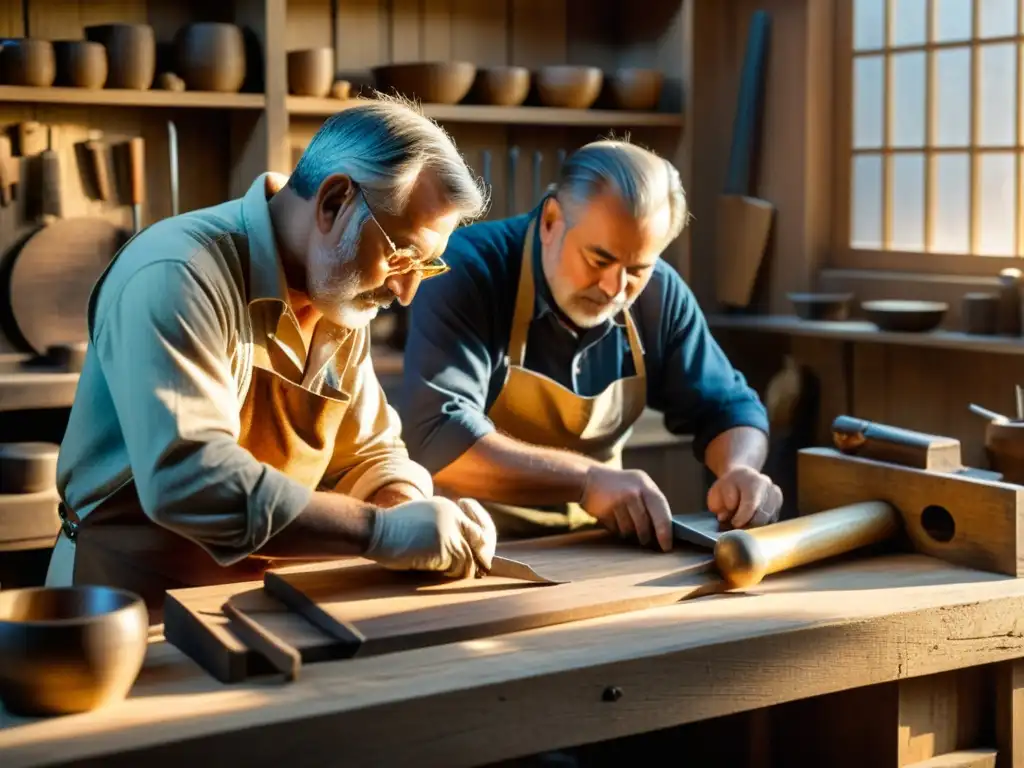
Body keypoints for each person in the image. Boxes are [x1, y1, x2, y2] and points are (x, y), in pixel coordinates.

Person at [46, 97, 498, 621]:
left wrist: (409, 506)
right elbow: (189, 479)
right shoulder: (178, 272)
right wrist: (381, 533)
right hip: (125, 604)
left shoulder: (337, 292)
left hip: (259, 602)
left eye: (426, 266)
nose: (405, 293)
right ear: (333, 202)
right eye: (401, 256)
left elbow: (370, 451)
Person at [399, 139, 781, 553]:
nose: (614, 289)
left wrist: (740, 471)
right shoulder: (469, 272)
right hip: (469, 543)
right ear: (550, 221)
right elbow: (437, 438)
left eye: (636, 269)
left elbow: (730, 408)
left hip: (596, 543)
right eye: (599, 260)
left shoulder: (659, 295)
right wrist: (588, 480)